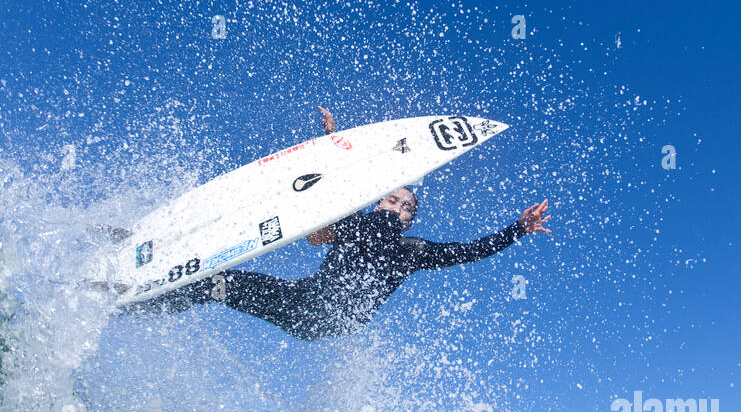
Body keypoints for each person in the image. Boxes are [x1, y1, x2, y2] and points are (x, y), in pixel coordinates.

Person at [126, 106, 550, 340]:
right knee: (218, 284)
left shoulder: (410, 251)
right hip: (304, 300)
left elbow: (468, 251)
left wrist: (516, 228)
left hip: (335, 319)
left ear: (408, 218)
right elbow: (314, 230)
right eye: (388, 194)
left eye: (402, 202)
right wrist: (333, 152)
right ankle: (137, 302)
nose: (392, 201)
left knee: (229, 284)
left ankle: (147, 299)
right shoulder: (356, 223)